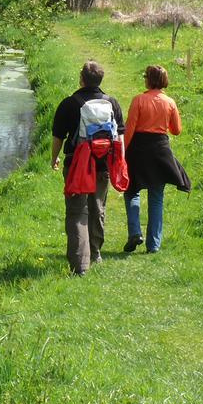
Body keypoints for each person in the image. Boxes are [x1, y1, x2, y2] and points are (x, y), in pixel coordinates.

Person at [51, 60, 125, 275]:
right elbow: (119, 133)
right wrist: (119, 160)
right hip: (103, 164)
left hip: (77, 165)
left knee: (76, 212)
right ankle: (96, 253)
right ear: (100, 80)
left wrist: (54, 158)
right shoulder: (112, 103)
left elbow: (58, 136)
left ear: (81, 79)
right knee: (97, 208)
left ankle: (79, 265)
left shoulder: (69, 103)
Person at [122, 64, 191, 254]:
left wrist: (122, 153)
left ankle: (135, 232)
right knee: (156, 197)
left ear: (148, 80)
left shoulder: (138, 100)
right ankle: (153, 245)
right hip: (160, 150)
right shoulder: (170, 102)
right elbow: (177, 130)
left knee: (131, 191)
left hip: (138, 150)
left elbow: (129, 130)